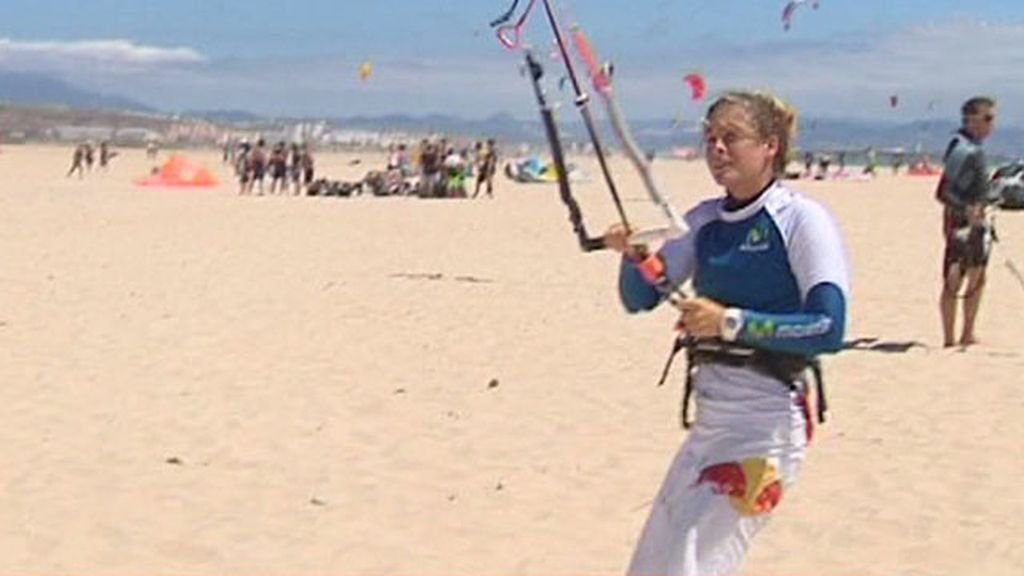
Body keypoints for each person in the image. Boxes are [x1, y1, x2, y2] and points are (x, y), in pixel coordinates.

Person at [603, 90, 849, 576]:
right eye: (710, 138)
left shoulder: (801, 220)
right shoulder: (703, 222)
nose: (717, 149)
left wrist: (729, 322)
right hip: (709, 426)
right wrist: (634, 256)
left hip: (767, 428)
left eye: (732, 138)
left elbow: (828, 327)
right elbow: (640, 298)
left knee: (690, 567)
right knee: (651, 568)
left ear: (769, 146)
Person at [938, 96, 997, 348]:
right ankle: (950, 339)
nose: (992, 124)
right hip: (960, 221)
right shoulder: (962, 148)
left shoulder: (975, 147)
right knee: (955, 277)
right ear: (972, 120)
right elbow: (943, 191)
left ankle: (968, 333)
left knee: (978, 275)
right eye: (988, 118)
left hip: (977, 219)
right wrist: (966, 209)